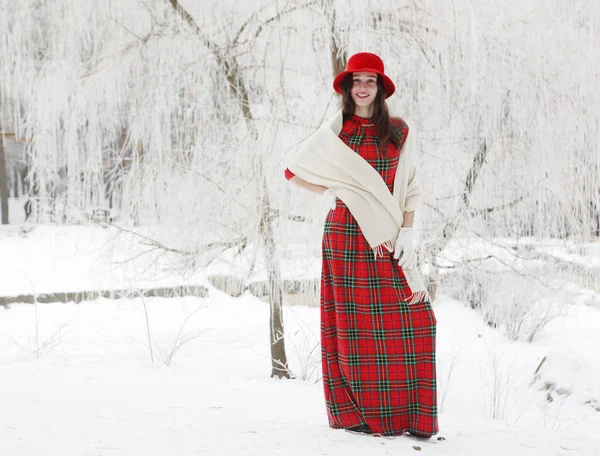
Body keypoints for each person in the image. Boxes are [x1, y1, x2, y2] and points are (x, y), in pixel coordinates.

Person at [284, 52, 438, 437]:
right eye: (357, 81)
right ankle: (358, 418)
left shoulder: (398, 132)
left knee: (418, 321)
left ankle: (412, 418)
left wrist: (407, 231)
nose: (364, 87)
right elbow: (293, 171)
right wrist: (338, 189)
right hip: (347, 238)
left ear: (381, 88)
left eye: (371, 81)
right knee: (355, 328)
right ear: (348, 87)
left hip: (389, 238)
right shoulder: (335, 134)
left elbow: (412, 189)